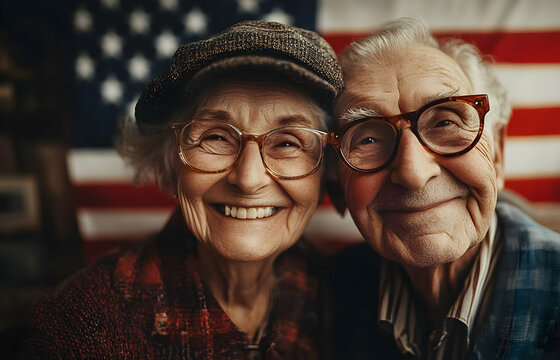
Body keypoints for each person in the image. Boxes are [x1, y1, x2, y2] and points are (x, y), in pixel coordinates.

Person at [19, 20, 343, 359]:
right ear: (171, 160)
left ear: (326, 171)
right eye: (216, 137)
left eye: (288, 143)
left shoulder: (345, 297)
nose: (248, 180)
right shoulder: (75, 327)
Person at [324, 18, 560, 359]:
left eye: (446, 122)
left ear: (498, 156)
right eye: (368, 138)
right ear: (337, 187)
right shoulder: (324, 299)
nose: (414, 173)